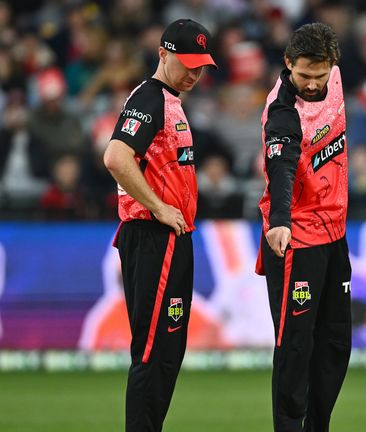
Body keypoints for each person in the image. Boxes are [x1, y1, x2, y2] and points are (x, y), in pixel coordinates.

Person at [102, 18, 217, 432]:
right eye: (187, 62)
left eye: (201, 65)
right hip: (153, 236)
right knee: (153, 351)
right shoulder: (149, 99)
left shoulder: (169, 101)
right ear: (163, 54)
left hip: (171, 237)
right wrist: (159, 207)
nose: (194, 73)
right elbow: (116, 157)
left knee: (167, 350)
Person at [254, 23, 351, 432]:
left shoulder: (334, 76)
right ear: (288, 64)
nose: (312, 85)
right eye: (303, 75)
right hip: (296, 240)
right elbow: (281, 167)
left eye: (320, 75)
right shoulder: (282, 113)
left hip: (335, 237)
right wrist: (279, 222)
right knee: (296, 348)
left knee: (335, 346)